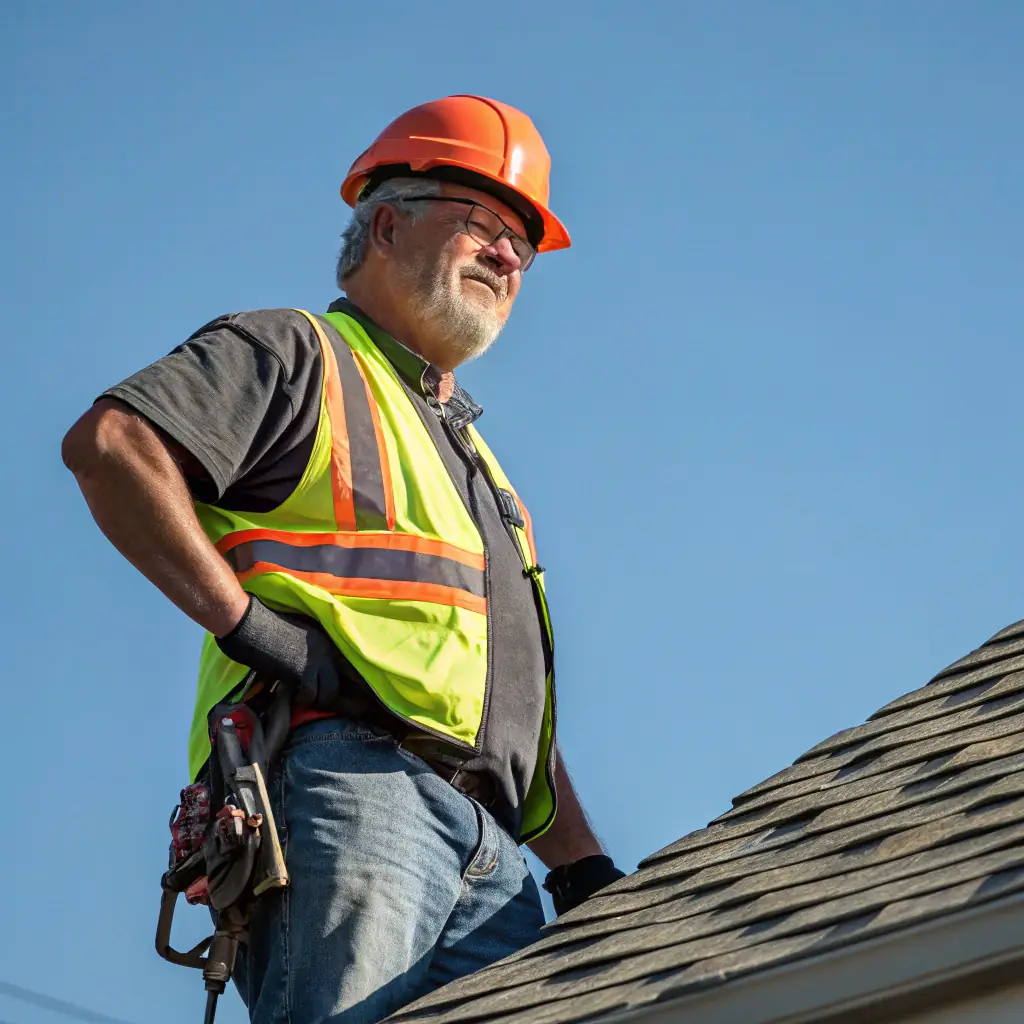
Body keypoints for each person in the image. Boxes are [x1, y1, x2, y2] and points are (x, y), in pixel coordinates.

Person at [62, 94, 624, 1024]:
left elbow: (506, 709)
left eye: (523, 242)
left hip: (493, 851)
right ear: (388, 224)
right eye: (483, 222)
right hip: (352, 791)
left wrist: (580, 863)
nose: (509, 255)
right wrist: (252, 631)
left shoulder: (484, 469)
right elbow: (112, 448)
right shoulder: (298, 352)